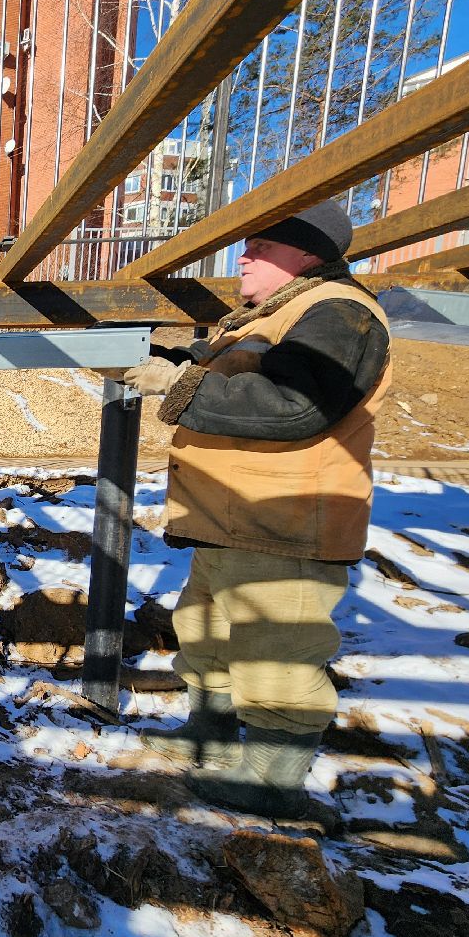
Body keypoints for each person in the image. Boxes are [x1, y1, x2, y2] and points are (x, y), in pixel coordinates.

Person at [123, 200, 390, 822]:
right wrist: (176, 363)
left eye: (261, 247)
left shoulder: (337, 315)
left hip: (286, 522)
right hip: (236, 518)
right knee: (206, 634)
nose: (242, 256)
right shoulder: (271, 317)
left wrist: (179, 386)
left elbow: (294, 405)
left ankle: (273, 782)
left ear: (306, 256)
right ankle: (210, 744)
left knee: (279, 650)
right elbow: (238, 371)